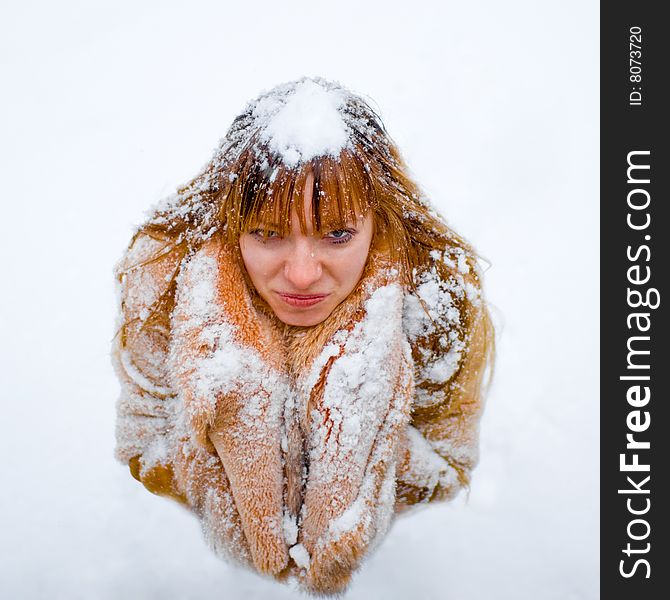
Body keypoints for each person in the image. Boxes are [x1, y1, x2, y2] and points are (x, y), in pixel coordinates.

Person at [112, 77, 494, 595]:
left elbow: (446, 464)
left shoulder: (435, 298)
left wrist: (363, 431)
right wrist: (223, 441)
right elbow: (142, 445)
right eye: (267, 234)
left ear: (377, 221)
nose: (300, 274)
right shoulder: (165, 284)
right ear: (232, 223)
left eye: (337, 234)